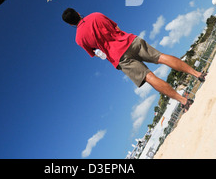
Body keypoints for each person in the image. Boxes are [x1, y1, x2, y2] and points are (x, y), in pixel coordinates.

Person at [62, 8, 207, 111]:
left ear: (70, 24)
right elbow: (116, 26)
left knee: (149, 77)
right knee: (160, 57)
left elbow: (95, 53)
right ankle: (198, 74)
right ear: (77, 12)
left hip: (119, 58)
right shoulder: (96, 15)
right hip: (130, 41)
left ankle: (184, 101)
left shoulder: (79, 39)